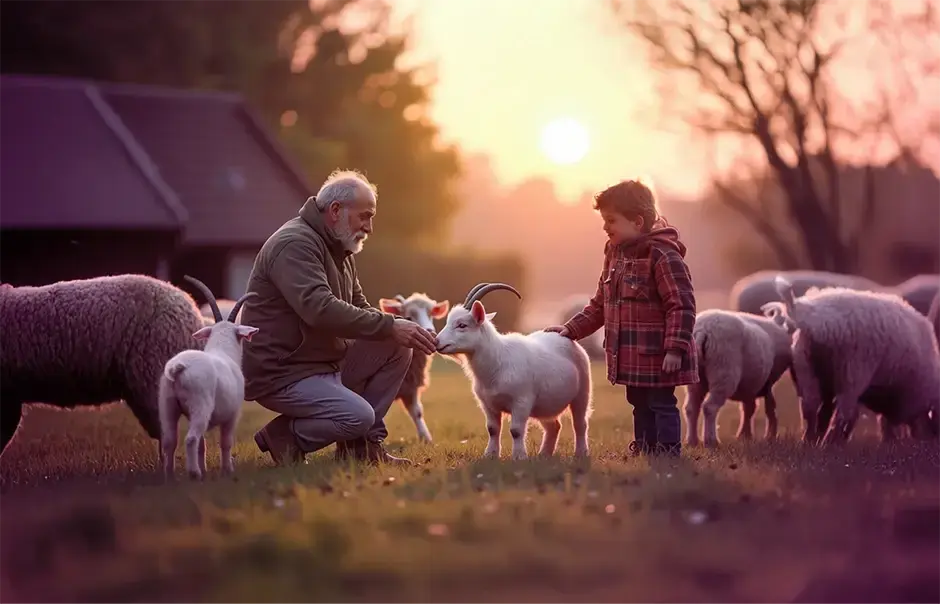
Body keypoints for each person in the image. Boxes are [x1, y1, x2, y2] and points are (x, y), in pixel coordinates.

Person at [240, 169, 439, 467]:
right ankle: (285, 437)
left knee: (397, 344)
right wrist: (388, 324)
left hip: (321, 361)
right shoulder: (295, 245)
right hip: (284, 371)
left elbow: (358, 305)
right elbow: (318, 308)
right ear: (335, 211)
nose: (370, 227)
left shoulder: (340, 249)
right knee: (358, 415)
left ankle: (361, 449)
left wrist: (398, 328)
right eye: (365, 216)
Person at [544, 179, 698, 457]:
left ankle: (668, 451)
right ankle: (646, 447)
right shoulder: (614, 253)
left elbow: (681, 305)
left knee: (661, 402)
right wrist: (571, 329)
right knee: (638, 401)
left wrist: (675, 348)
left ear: (638, 222)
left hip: (660, 353)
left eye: (611, 220)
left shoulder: (663, 255)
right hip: (630, 353)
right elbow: (600, 304)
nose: (605, 227)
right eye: (604, 220)